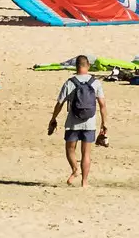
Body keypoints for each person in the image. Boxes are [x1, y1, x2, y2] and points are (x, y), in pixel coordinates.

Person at [47, 54, 107, 188]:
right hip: (90, 122)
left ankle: (75, 169)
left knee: (70, 148)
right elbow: (102, 105)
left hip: (73, 122)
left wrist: (53, 118)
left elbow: (60, 103)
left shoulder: (70, 83)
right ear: (88, 66)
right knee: (86, 153)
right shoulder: (95, 82)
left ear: (76, 66)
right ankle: (84, 182)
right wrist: (104, 123)